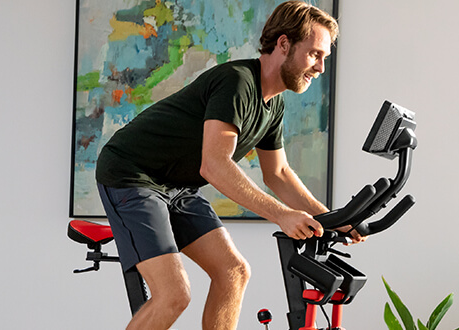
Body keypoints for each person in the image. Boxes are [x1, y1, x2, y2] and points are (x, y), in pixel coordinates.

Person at [94, 1, 364, 329]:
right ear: (283, 44)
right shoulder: (237, 82)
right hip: (131, 174)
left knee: (234, 272)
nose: (320, 67)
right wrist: (281, 214)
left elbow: (278, 174)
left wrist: (333, 219)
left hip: (176, 186)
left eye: (324, 58)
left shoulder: (272, 105)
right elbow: (215, 165)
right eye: (314, 54)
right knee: (174, 294)